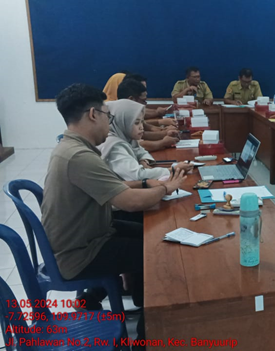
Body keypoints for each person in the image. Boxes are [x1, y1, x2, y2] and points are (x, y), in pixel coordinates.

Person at [41, 83, 186, 343]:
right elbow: (129, 201)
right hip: (81, 253)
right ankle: (146, 339)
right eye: (108, 116)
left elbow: (119, 187)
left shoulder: (73, 148)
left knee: (156, 236)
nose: (110, 123)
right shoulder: (79, 156)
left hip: (89, 236)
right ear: (93, 114)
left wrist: (149, 185)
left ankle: (140, 302)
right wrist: (167, 187)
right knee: (161, 257)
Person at [98, 99, 193, 182]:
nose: (141, 127)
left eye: (141, 122)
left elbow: (140, 150)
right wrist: (172, 170)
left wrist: (143, 160)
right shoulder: (114, 146)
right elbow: (138, 176)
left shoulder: (126, 137)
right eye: (136, 123)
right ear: (122, 122)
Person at [117, 79, 180, 152]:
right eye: (143, 101)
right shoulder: (120, 117)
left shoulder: (130, 112)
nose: (145, 104)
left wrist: (164, 132)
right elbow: (137, 145)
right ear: (131, 99)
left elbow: (144, 131)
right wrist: (163, 142)